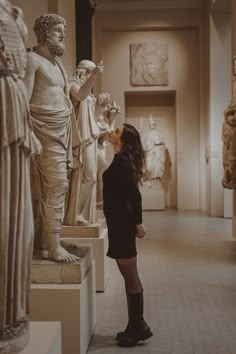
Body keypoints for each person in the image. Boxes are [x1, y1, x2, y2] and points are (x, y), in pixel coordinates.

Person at [0, 0, 40, 350]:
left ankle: (12, 313)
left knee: (20, 224)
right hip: (5, 107)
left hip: (14, 111)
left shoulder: (12, 13)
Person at [24, 14, 79, 262]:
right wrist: (29, 131)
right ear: (45, 33)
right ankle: (53, 246)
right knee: (57, 185)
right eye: (58, 31)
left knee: (52, 188)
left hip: (61, 129)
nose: (62, 35)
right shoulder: (32, 60)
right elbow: (22, 100)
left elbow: (67, 97)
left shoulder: (58, 64)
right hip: (43, 130)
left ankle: (48, 241)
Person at [102, 123, 153, 347]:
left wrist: (138, 223)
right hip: (118, 224)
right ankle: (134, 325)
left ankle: (139, 326)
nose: (112, 132)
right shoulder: (120, 159)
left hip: (122, 225)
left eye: (116, 131)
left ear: (122, 140)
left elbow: (135, 196)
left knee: (130, 274)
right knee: (128, 274)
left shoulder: (122, 164)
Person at [64, 59, 103, 225]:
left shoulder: (89, 91)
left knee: (90, 176)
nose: (91, 75)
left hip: (90, 137)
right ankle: (76, 213)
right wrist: (93, 77)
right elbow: (80, 95)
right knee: (87, 175)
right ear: (82, 71)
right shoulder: (72, 84)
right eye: (90, 72)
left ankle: (84, 215)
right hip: (81, 138)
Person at [141, 115, 165, 186]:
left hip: (157, 153)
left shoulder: (159, 133)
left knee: (157, 167)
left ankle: (155, 181)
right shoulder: (146, 134)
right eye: (151, 124)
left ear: (155, 125)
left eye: (153, 124)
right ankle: (148, 180)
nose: (152, 125)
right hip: (149, 152)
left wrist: (157, 145)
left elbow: (162, 144)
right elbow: (143, 143)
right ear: (149, 125)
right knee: (148, 167)